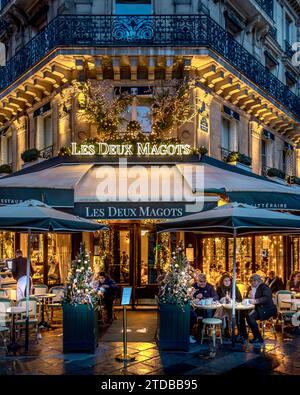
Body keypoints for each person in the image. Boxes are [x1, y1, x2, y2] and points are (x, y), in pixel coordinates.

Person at [246, 274, 277, 344]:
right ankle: (255, 336)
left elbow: (266, 298)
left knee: (250, 317)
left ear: (257, 281)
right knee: (247, 316)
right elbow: (247, 297)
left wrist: (256, 301)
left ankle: (258, 337)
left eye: (252, 281)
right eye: (251, 282)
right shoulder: (251, 288)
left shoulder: (264, 287)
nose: (251, 283)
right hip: (259, 309)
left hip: (267, 309)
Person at [216, 274, 247, 339]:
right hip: (223, 308)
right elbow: (217, 299)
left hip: (233, 307)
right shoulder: (219, 288)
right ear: (222, 281)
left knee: (240, 313)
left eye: (228, 280)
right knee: (224, 311)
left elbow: (239, 299)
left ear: (231, 281)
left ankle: (242, 333)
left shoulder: (234, 288)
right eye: (225, 281)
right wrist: (223, 299)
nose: (227, 282)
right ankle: (226, 330)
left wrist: (232, 300)